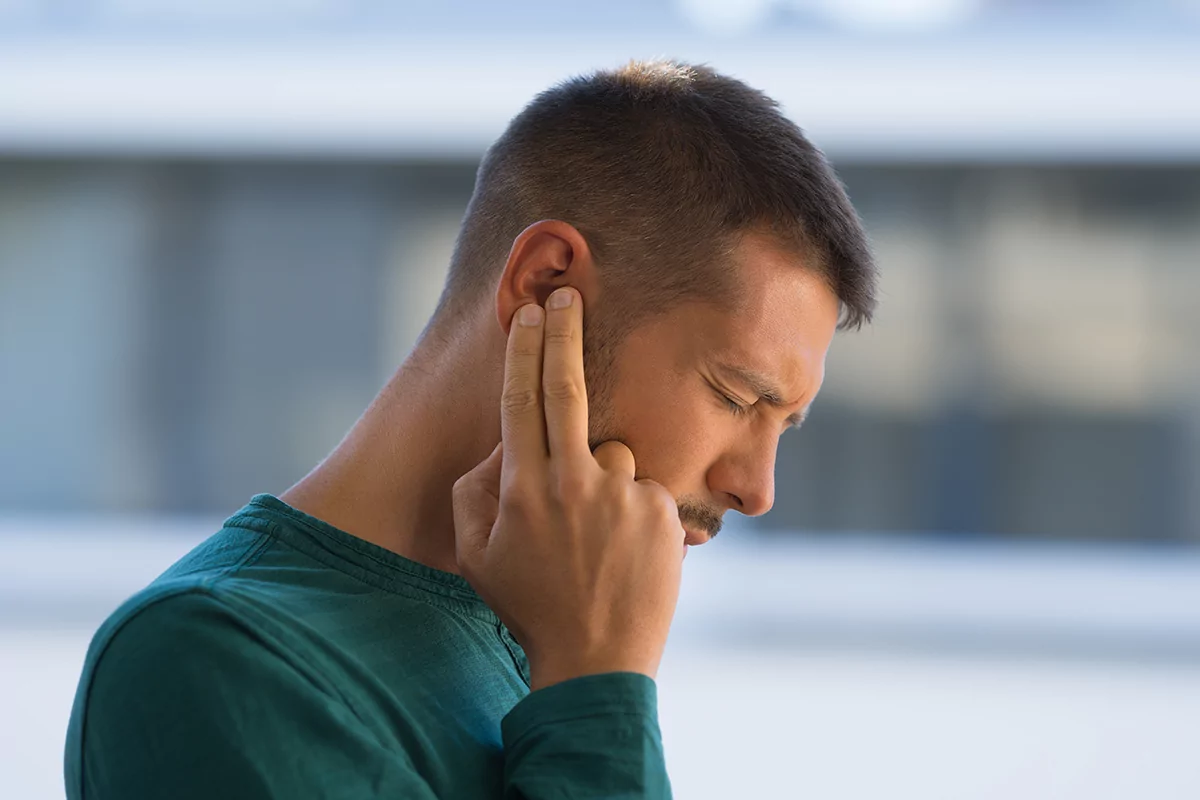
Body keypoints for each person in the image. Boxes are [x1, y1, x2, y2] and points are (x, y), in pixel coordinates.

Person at [65, 59, 876, 799]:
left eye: (786, 425)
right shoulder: (212, 661)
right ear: (544, 283)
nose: (757, 490)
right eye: (735, 397)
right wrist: (598, 687)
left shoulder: (547, 622)